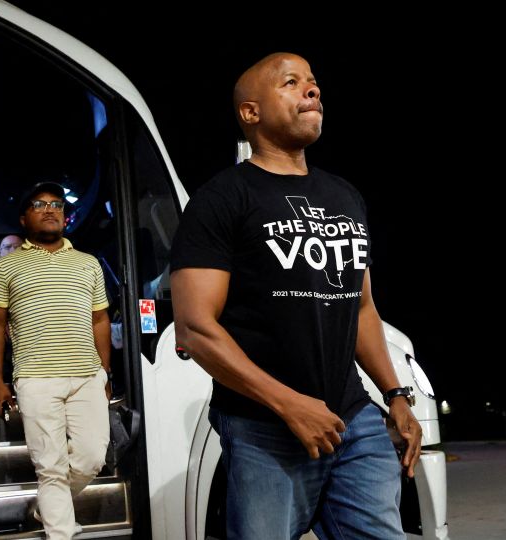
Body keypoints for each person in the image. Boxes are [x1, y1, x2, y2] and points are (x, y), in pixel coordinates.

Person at [170, 53, 422, 540]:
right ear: (251, 113)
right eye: (292, 83)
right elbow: (196, 330)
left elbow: (361, 306)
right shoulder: (220, 199)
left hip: (354, 422)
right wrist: (290, 405)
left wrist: (394, 394)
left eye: (313, 83)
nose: (313, 91)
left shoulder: (345, 195)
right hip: (264, 427)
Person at [0, 181, 111, 539]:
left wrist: (105, 372)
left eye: (56, 204)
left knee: (91, 457)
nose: (50, 209)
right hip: (35, 378)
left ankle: (48, 507)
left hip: (87, 375)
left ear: (65, 216)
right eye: (39, 204)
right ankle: (60, 531)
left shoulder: (88, 264)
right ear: (24, 218)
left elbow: (99, 319)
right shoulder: (7, 266)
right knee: (51, 468)